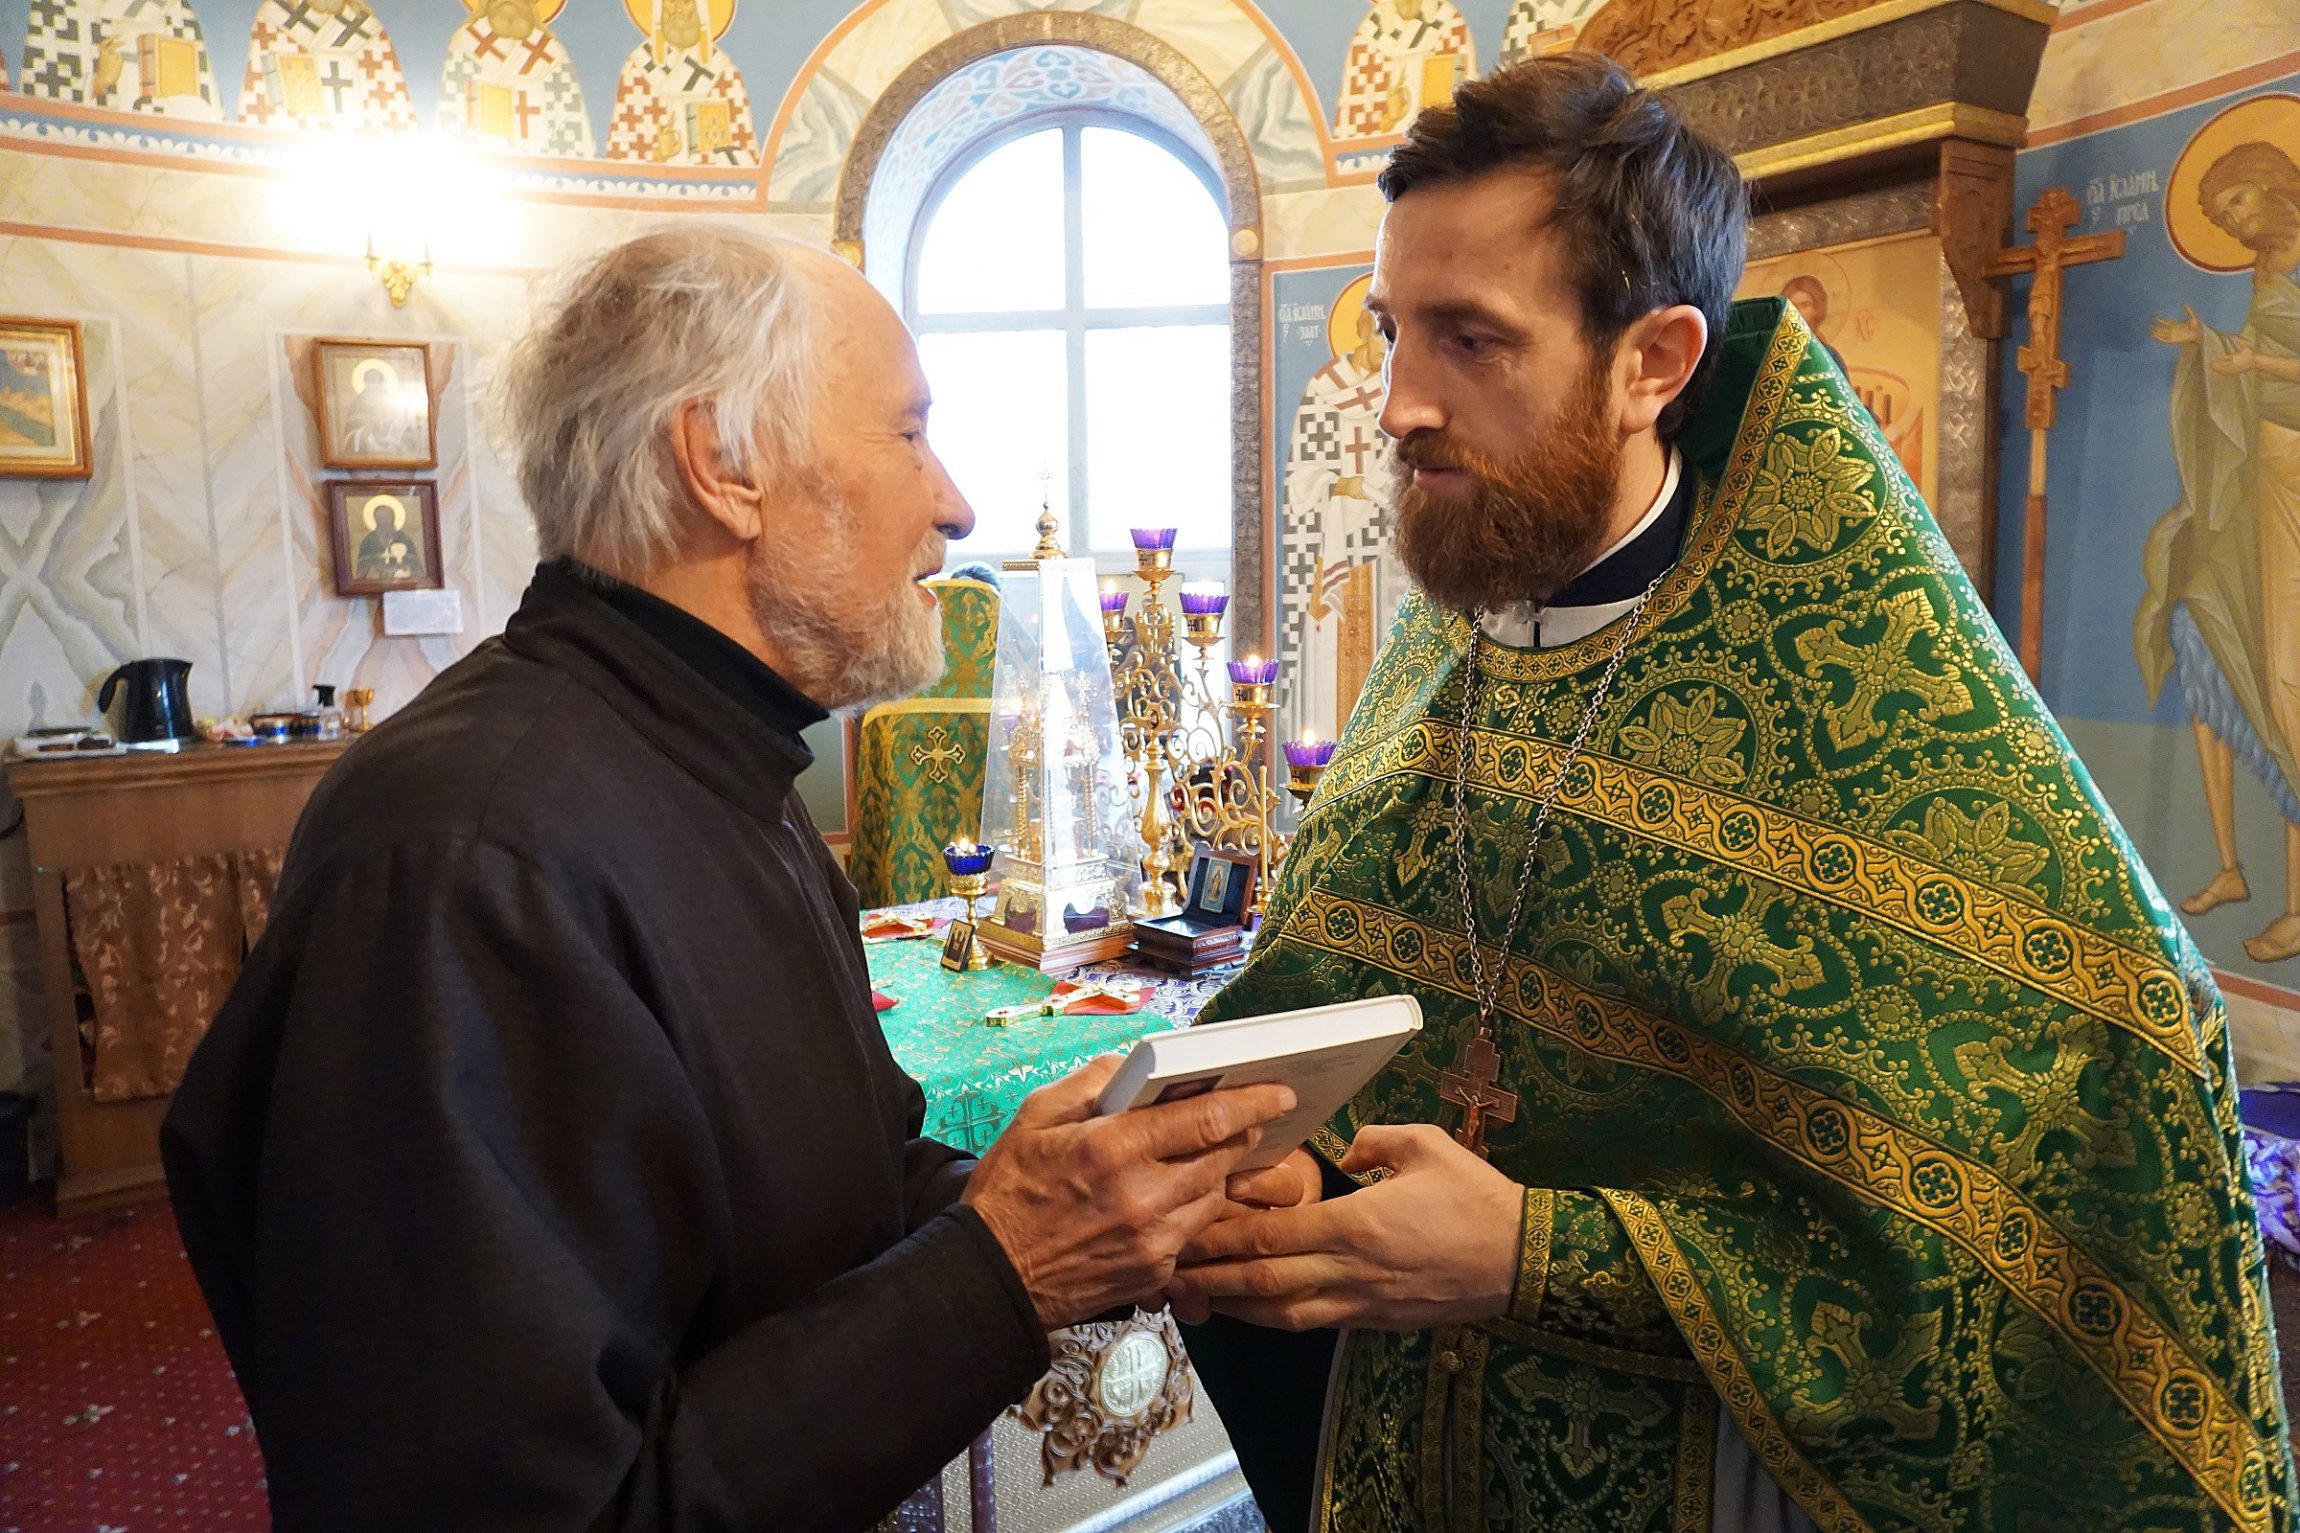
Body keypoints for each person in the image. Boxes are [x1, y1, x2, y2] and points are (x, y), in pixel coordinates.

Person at [1170, 55, 2291, 1533]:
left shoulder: (1881, 707)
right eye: (1392, 331)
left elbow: (2047, 1201)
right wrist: (1285, 1168)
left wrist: (1538, 1256)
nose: (1397, 406)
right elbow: (1334, 991)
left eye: (1469, 340)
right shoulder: (1459, 620)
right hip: (1399, 1442)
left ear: (1654, 360)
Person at [162, 227, 1294, 1532]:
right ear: (725, 464)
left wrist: (1086, 1199)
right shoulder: (460, 860)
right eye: (909, 432)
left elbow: (825, 1198)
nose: (955, 505)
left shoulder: (716, 764)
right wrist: (1009, 1267)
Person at [2142, 139, 2300, 963]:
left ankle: (2298, 902)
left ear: (2273, 186)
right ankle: (2233, 866)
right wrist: (2203, 345)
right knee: (2198, 630)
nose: (2233, 224)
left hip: (2292, 482)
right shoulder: (2266, 271)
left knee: (2285, 676)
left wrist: (2252, 359)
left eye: (2237, 203)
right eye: (2220, 216)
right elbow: (2257, 371)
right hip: (2255, 477)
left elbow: (2279, 367)